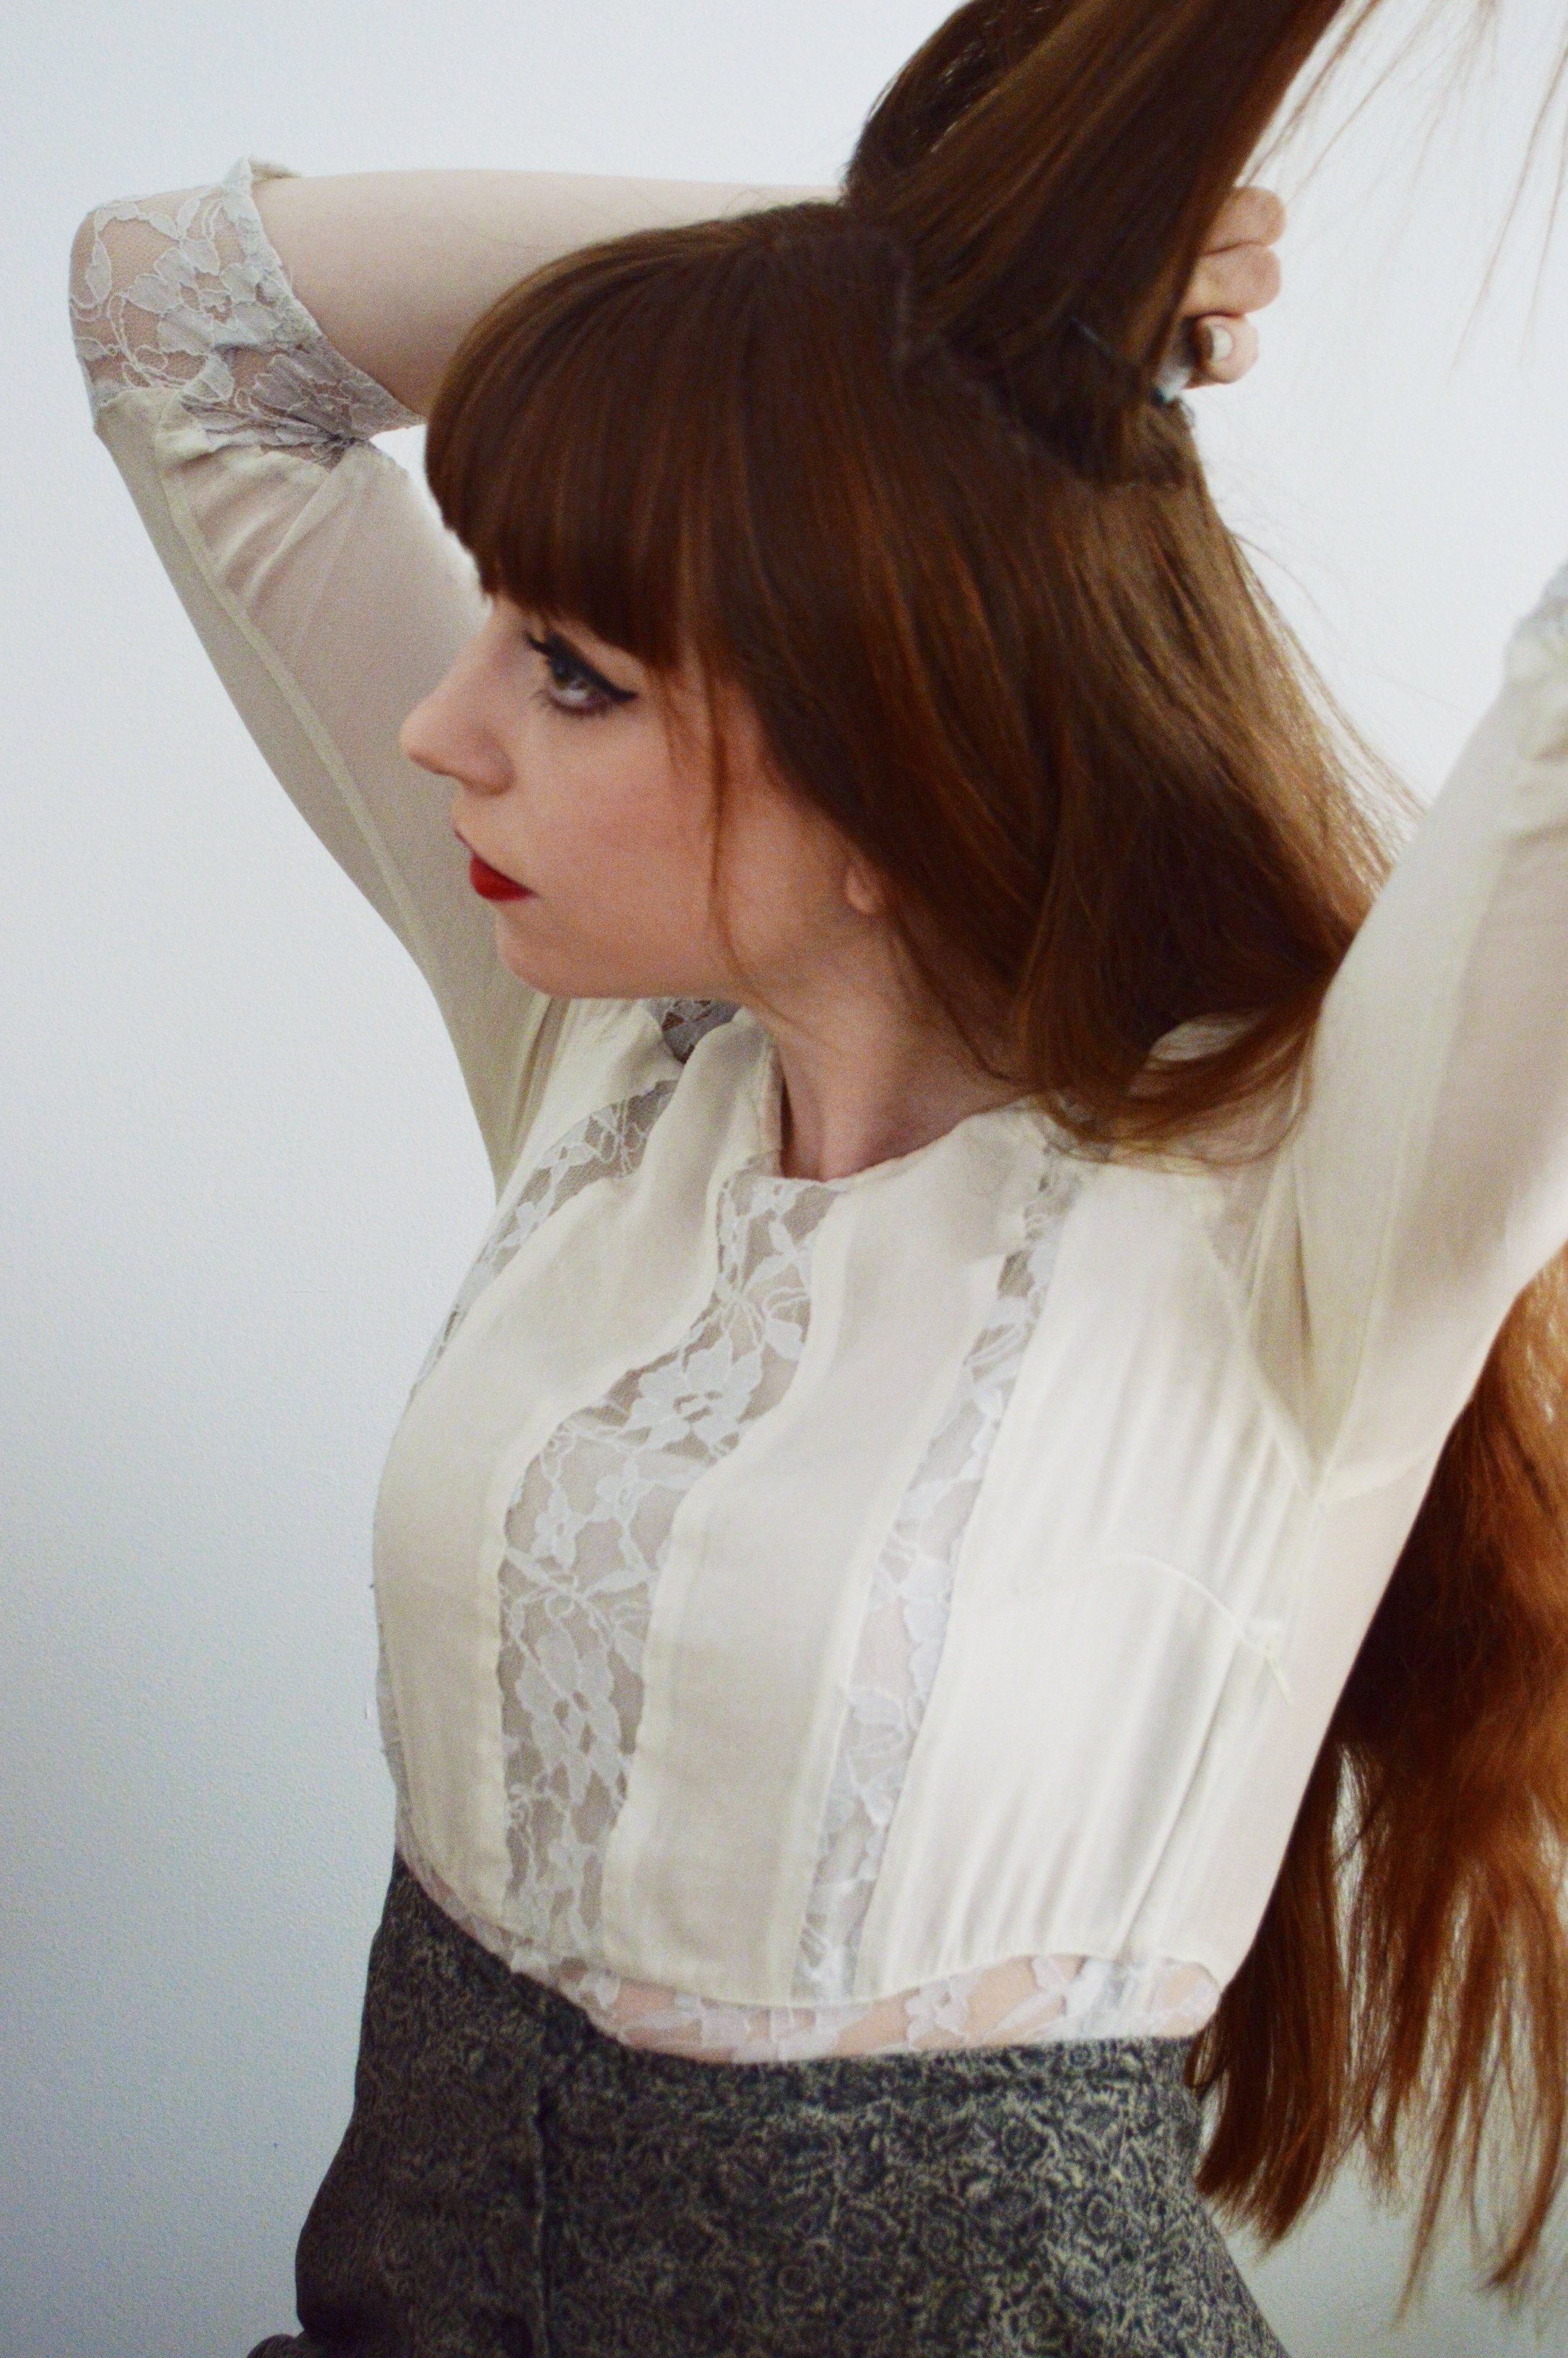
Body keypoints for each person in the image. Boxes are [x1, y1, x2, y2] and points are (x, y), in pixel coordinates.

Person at [66, 0, 1568, 2350]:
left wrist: (910, 351)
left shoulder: (1303, 1205)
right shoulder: (606, 1071)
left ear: (891, 744)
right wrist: (907, 297)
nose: (441, 725)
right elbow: (171, 317)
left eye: (570, 670)